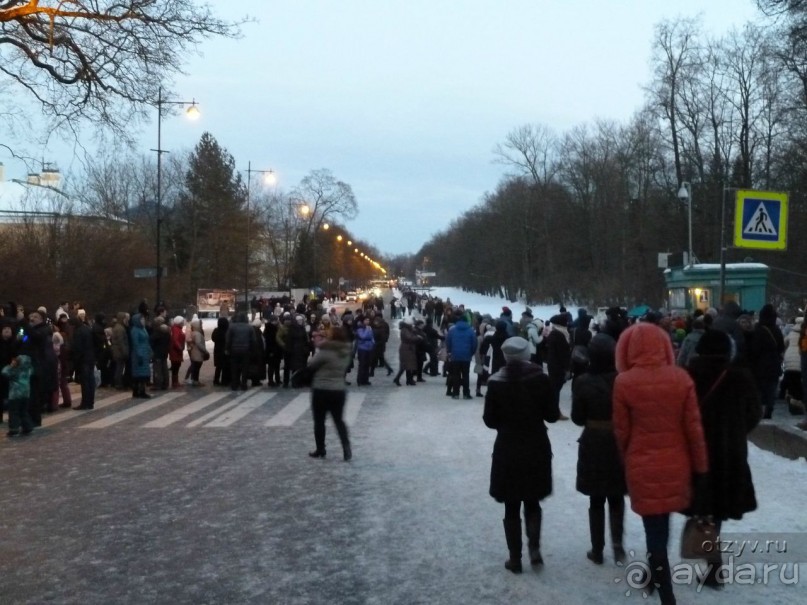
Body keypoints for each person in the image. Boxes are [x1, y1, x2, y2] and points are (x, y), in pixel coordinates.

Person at [613, 322, 708, 605]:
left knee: (653, 530)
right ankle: (656, 577)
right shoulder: (681, 379)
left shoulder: (624, 383)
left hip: (641, 464)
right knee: (662, 525)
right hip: (676, 463)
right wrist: (700, 468)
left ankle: (666, 593)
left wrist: (626, 462)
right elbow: (694, 429)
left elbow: (622, 432)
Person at [685, 328, 761, 588]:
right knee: (717, 507)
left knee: (702, 504)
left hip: (697, 450)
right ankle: (713, 565)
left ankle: (713, 565)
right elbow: (754, 414)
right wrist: (737, 431)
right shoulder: (740, 377)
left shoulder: (689, 375)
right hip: (730, 452)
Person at [483, 336, 560, 574]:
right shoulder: (540, 379)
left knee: (511, 503)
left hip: (507, 446)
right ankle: (534, 549)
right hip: (536, 444)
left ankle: (515, 558)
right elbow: (551, 415)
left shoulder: (496, 382)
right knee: (533, 499)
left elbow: (489, 420)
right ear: (527, 354)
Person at [571, 333, 627, 565]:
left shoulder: (583, 381)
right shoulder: (623, 380)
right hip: (618, 441)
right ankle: (617, 545)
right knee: (616, 496)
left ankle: (597, 549)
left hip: (593, 440)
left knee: (596, 498)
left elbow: (577, 418)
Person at [306, 326, 353, 461]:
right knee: (339, 421)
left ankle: (321, 449)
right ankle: (346, 448)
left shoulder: (326, 350)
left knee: (319, 421)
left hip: (321, 389)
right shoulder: (346, 351)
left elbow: (312, 365)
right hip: (339, 389)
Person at [748, 303, 785, 419]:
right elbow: (781, 347)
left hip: (760, 365)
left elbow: (754, 349)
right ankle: (769, 408)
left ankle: (760, 409)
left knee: (760, 388)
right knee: (771, 388)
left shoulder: (758, 330)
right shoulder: (777, 330)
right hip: (774, 364)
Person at [445, 309, 477, 399]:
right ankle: (466, 393)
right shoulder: (471, 330)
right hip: (466, 356)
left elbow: (448, 341)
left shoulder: (452, 330)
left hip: (455, 355)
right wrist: (471, 352)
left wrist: (450, 351)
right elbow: (474, 343)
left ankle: (455, 393)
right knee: (466, 375)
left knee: (456, 375)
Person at [546, 314, 571, 420]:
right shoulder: (559, 335)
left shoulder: (554, 333)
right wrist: (568, 367)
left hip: (553, 364)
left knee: (555, 388)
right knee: (555, 389)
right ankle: (554, 412)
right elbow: (563, 353)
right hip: (557, 365)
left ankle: (553, 410)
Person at [2, 355, 34, 436]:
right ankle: (28, 427)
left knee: (13, 412)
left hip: (15, 395)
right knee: (23, 412)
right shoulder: (28, 370)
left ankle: (14, 429)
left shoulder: (15, 371)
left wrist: (10, 366)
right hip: (26, 394)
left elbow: (4, 372)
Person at [129, 313, 153, 398]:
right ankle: (137, 391)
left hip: (145, 352)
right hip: (138, 353)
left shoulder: (143, 329)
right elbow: (135, 343)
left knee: (144, 373)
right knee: (138, 374)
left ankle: (141, 390)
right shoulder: (135, 330)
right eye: (141, 319)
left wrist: (149, 351)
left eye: (143, 319)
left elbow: (146, 340)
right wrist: (139, 354)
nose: (143, 321)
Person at [393, 320, 420, 386]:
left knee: (409, 366)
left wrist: (414, 331)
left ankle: (409, 380)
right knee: (404, 366)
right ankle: (397, 378)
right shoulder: (405, 330)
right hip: (406, 349)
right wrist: (417, 337)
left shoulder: (407, 329)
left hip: (408, 349)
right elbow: (409, 338)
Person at [355, 316, 375, 386]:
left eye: (368, 320)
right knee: (362, 365)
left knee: (367, 365)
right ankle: (360, 380)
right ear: (363, 321)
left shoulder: (369, 328)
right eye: (366, 320)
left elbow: (371, 336)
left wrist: (372, 342)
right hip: (362, 349)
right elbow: (363, 336)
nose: (368, 321)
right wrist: (367, 330)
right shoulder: (360, 328)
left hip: (369, 348)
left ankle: (365, 380)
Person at [169, 316, 186, 389]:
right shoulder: (176, 329)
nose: (183, 323)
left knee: (177, 366)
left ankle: (176, 381)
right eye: (182, 322)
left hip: (178, 351)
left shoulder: (178, 329)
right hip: (175, 351)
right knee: (175, 367)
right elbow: (175, 340)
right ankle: (174, 382)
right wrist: (179, 347)